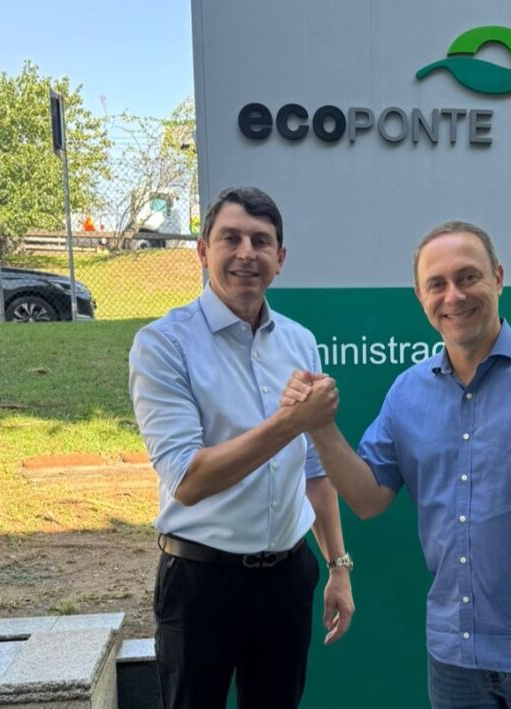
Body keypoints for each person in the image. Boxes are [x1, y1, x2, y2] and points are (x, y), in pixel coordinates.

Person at [282, 221, 511, 708]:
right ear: (420, 296)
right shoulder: (407, 393)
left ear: (498, 278)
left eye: (468, 277)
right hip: (453, 658)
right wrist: (320, 427)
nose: (453, 296)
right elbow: (369, 500)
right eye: (436, 284)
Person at [128, 186, 354, 709]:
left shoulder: (300, 341)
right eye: (230, 238)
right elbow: (189, 480)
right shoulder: (163, 345)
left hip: (287, 578)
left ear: (281, 257)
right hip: (200, 583)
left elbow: (313, 469)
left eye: (261, 241)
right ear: (202, 251)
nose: (246, 253)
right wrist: (290, 422)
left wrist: (338, 566)